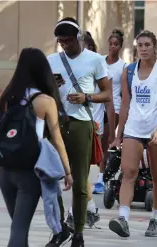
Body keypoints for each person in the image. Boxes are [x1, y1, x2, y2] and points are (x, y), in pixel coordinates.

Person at [0, 48, 72, 247]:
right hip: (29, 172)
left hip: (5, 172)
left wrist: (3, 157)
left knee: (18, 226)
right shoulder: (45, 101)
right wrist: (67, 172)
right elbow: (57, 140)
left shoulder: (6, 98)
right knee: (19, 230)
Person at [47, 17, 111, 247]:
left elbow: (107, 93)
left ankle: (79, 233)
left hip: (81, 123)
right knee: (52, 178)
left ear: (79, 38)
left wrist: (87, 97)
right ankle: (60, 229)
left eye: (68, 40)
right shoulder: (51, 60)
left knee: (80, 182)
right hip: (55, 124)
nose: (64, 44)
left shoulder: (94, 60)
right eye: (60, 41)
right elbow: (40, 91)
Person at [108, 30, 157, 238]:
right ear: (136, 47)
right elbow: (126, 104)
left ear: (154, 47)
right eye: (140, 45)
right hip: (134, 128)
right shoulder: (128, 71)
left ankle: (155, 219)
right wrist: (119, 134)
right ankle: (123, 219)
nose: (144, 49)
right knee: (128, 172)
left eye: (147, 45)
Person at [65, 31, 109, 231]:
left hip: (91, 123)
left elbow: (109, 98)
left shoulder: (96, 63)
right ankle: (88, 208)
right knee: (76, 172)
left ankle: (79, 213)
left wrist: (114, 129)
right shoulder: (67, 64)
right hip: (69, 122)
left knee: (79, 172)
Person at [93, 29, 127, 194]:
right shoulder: (99, 61)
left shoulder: (123, 67)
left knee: (106, 141)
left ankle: (100, 178)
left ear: (120, 47)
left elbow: (122, 91)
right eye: (110, 44)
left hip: (115, 107)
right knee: (97, 140)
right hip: (97, 104)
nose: (112, 47)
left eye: (116, 45)